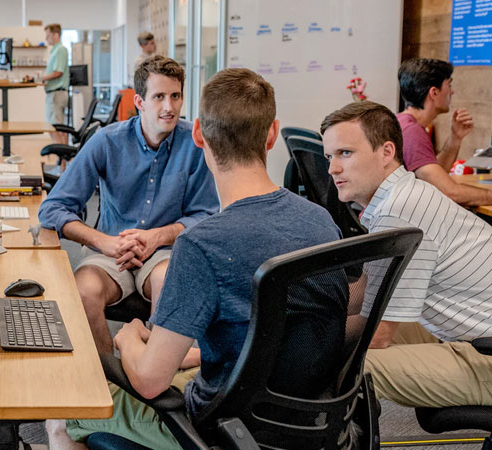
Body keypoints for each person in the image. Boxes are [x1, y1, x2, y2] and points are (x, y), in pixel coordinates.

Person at [46, 68, 346, 449]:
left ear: (199, 134)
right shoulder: (322, 221)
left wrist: (130, 337)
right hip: (307, 424)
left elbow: (149, 381)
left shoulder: (201, 245)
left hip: (218, 429)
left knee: (61, 412)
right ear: (272, 134)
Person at [38, 55, 219, 355]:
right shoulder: (107, 141)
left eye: (175, 96)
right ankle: (109, 374)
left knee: (169, 284)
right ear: (139, 102)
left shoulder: (195, 144)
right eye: (159, 97)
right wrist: (103, 242)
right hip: (110, 251)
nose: (169, 107)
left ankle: (153, 370)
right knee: (83, 292)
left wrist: (158, 236)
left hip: (165, 252)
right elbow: (53, 208)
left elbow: (206, 215)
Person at [321, 100, 492, 408]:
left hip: (484, 355)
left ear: (386, 152)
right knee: (332, 337)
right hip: (471, 335)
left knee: (351, 363)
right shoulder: (401, 196)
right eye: (329, 156)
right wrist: (306, 312)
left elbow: (379, 335)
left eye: (345, 153)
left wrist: (298, 340)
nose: (332, 168)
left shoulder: (399, 211)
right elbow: (368, 291)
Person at [397, 58, 492, 205]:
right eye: (449, 85)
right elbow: (450, 192)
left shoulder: (404, 123)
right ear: (434, 92)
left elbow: (435, 176)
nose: (452, 92)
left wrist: (455, 137)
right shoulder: (412, 132)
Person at [43, 23, 69, 145]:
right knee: (57, 128)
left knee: (55, 129)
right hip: (54, 93)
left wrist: (42, 78)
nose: (46, 38)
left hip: (57, 93)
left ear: (56, 35)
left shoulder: (60, 50)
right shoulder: (55, 51)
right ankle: (63, 155)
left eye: (48, 35)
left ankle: (61, 155)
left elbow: (58, 72)